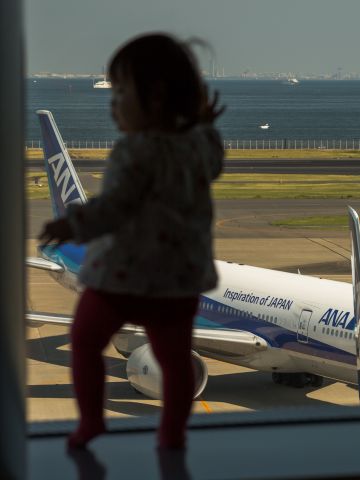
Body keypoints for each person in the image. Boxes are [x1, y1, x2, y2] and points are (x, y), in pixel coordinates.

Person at [39, 32, 225, 450]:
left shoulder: (135, 151)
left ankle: (90, 422)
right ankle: (174, 433)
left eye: (120, 92)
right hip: (180, 279)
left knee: (85, 342)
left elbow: (116, 207)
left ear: (154, 99)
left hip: (123, 275)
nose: (111, 102)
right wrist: (204, 123)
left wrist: (71, 225)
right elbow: (212, 164)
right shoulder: (202, 145)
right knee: (176, 360)